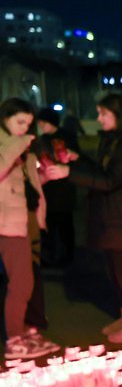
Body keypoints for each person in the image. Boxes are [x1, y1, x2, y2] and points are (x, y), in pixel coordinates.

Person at [46, 93, 122, 344]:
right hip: (113, 216)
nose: (98, 119)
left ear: (118, 115)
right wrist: (79, 160)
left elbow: (110, 180)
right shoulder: (114, 139)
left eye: (103, 114)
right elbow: (103, 171)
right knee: (115, 270)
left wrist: (69, 172)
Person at [1, 99, 59, 359]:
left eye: (28, 123)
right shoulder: (8, 144)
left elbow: (25, 183)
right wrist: (16, 146)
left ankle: (24, 330)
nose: (24, 128)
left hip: (26, 220)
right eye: (19, 122)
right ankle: (14, 340)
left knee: (28, 280)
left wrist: (43, 175)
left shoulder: (21, 147)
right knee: (21, 283)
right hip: (7, 224)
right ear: (5, 118)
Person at [35, 107, 77, 266]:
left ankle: (68, 256)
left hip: (64, 188)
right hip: (48, 188)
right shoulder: (41, 139)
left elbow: (75, 159)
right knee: (48, 225)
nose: (40, 125)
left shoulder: (67, 137)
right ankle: (48, 256)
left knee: (65, 225)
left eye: (42, 122)